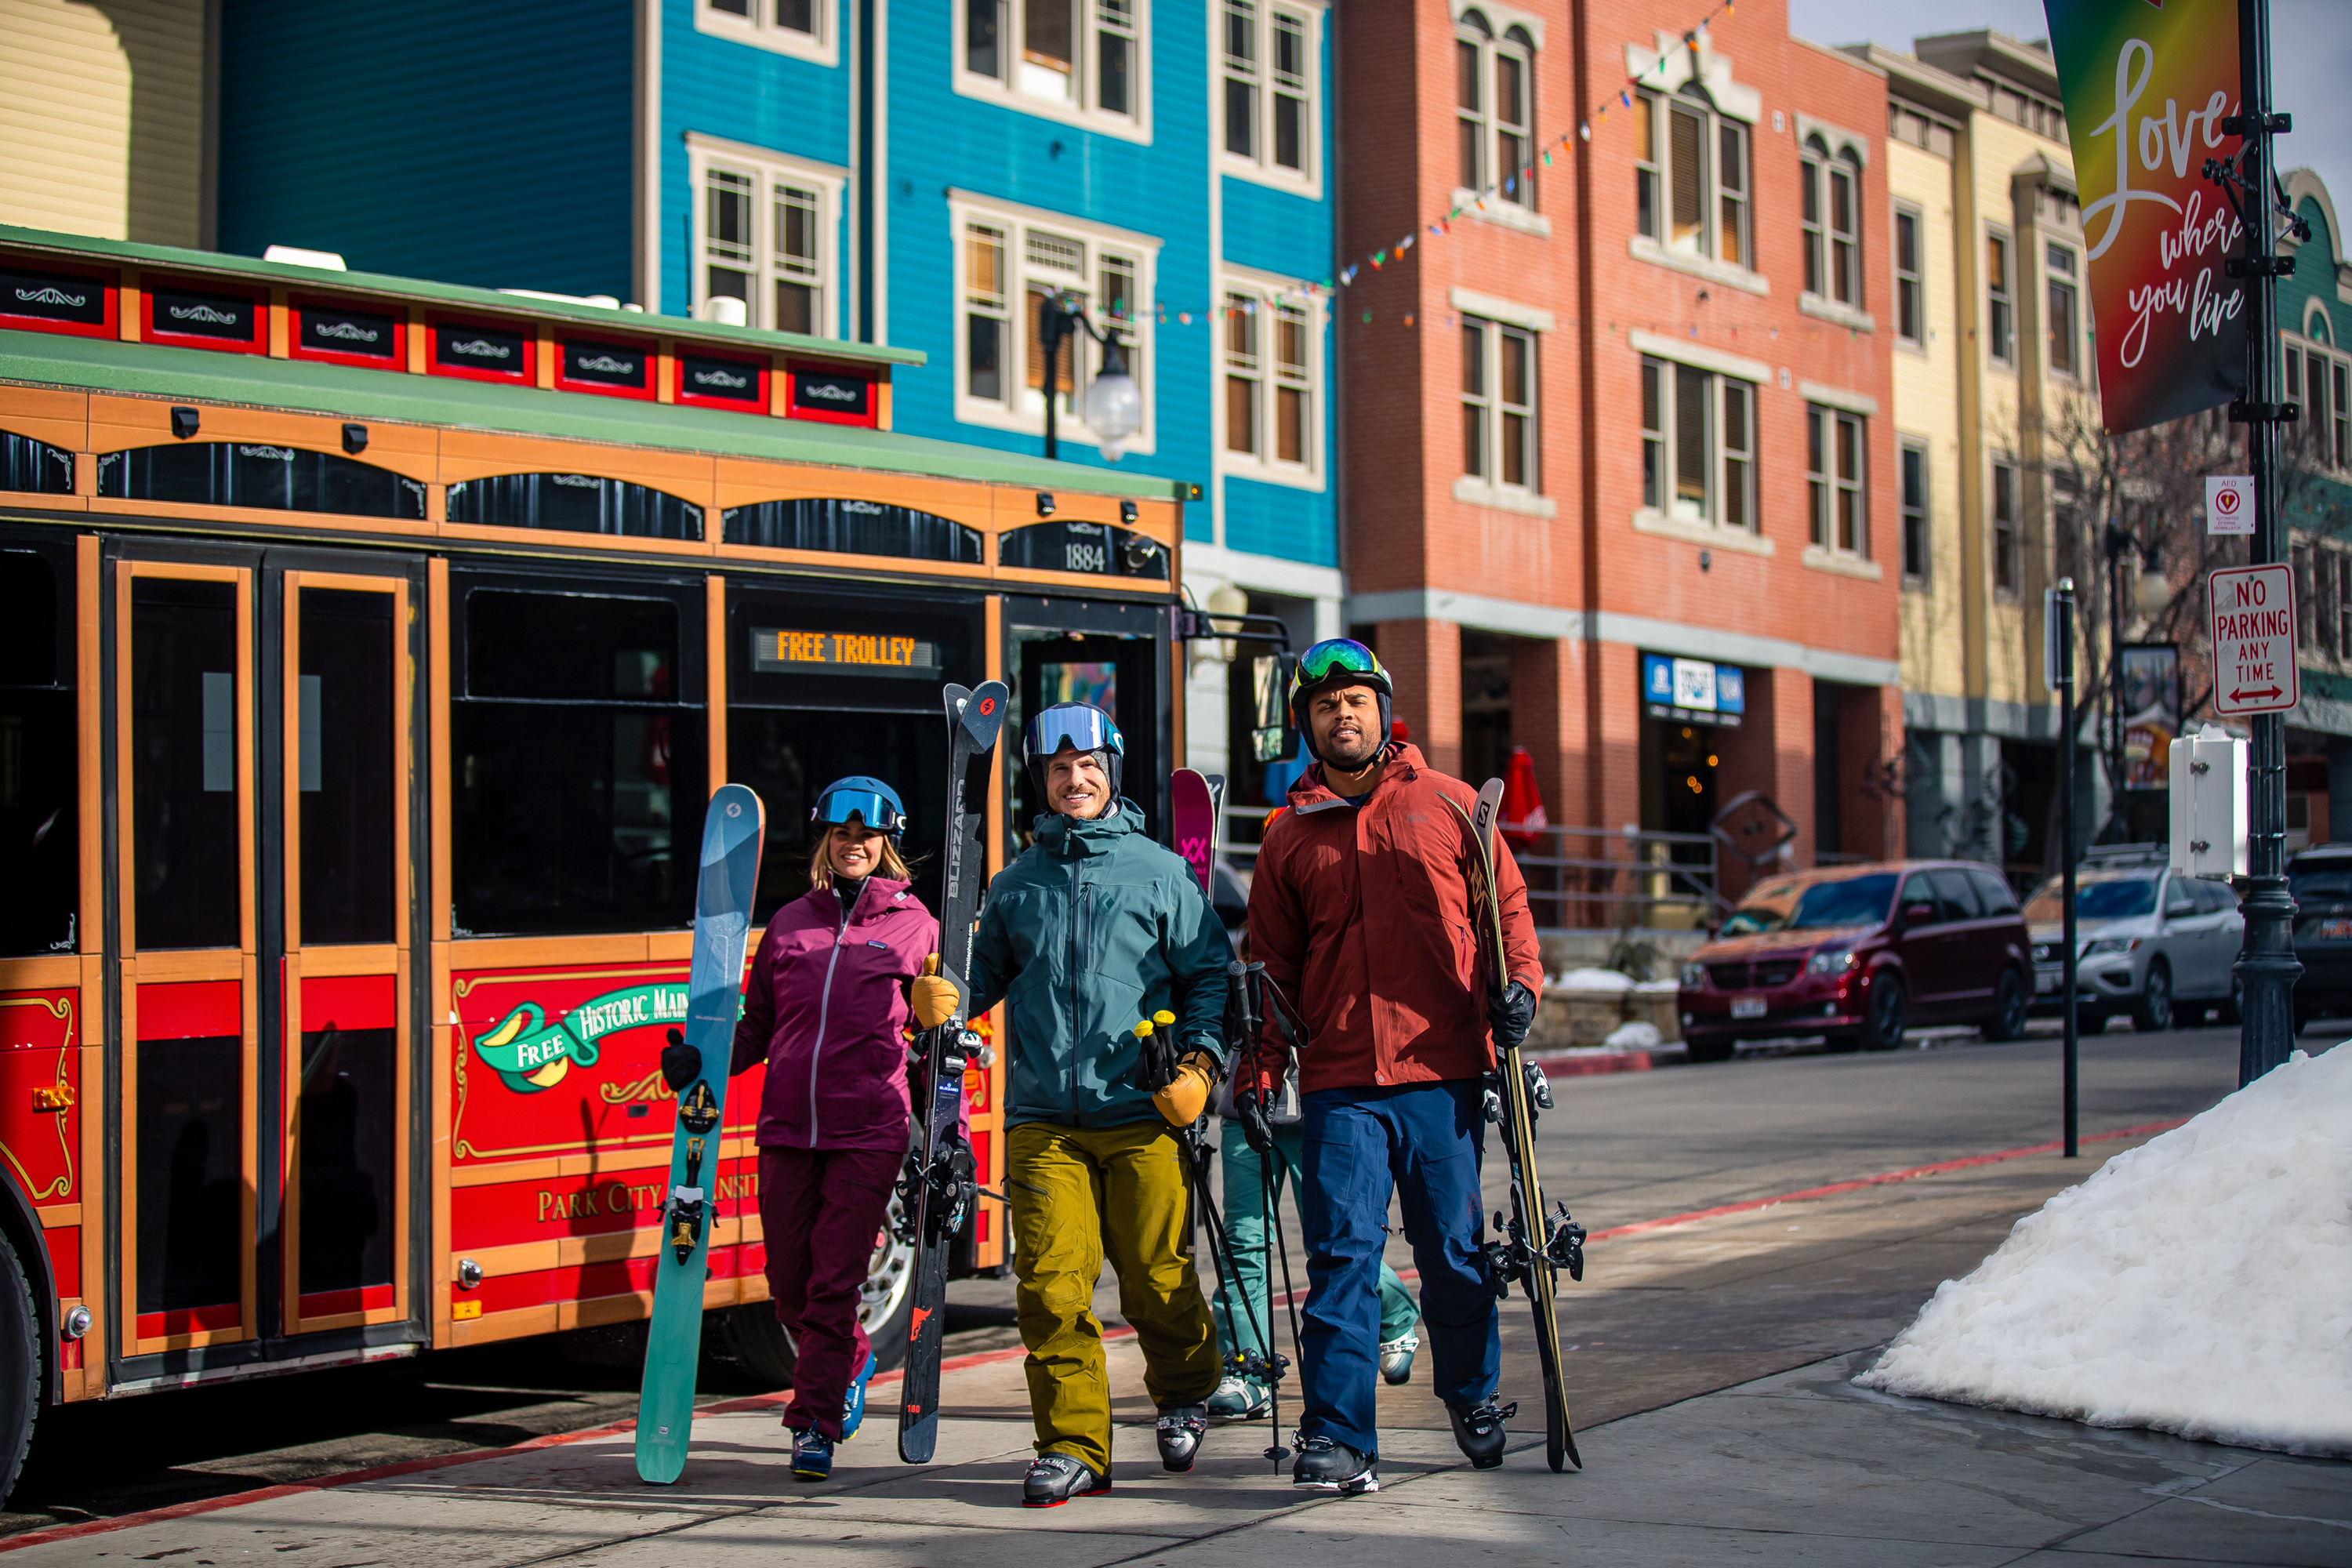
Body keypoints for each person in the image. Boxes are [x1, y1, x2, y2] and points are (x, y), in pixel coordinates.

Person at [1241, 640, 1544, 1495]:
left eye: (1358, 700)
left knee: (1453, 1253)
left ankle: (1473, 1393)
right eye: (1328, 704)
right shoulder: (1287, 837)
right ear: (1307, 723)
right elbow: (1270, 970)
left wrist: (1520, 986)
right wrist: (1260, 1073)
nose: (1345, 714)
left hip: (1444, 1071)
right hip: (1340, 1080)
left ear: (1382, 710)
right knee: (1341, 1258)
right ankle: (1338, 1434)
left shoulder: (1449, 805)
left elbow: (1506, 909)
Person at [963, 702, 1232, 1507]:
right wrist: (939, 1000)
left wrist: (1201, 1063)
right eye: (1057, 768)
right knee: (1051, 1288)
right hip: (1044, 1118)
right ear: (1039, 782)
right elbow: (980, 985)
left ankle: (1185, 1388)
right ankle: (1075, 1443)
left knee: (1156, 1278)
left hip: (1143, 1109)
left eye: (1087, 766)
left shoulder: (1158, 871)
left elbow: (1209, 975)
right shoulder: (1016, 885)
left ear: (1110, 771)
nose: (1073, 779)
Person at [659, 776, 958, 1483]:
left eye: (867, 835)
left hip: (871, 1128)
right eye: (841, 833)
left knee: (832, 1285)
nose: (853, 844)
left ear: (887, 846)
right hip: (788, 1126)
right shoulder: (791, 922)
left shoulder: (919, 928)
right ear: (825, 841)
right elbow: (758, 1026)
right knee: (788, 1285)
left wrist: (953, 1140)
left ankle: (814, 1425)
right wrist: (701, 1061)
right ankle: (851, 1361)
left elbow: (939, 1049)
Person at [1206, 1009, 1422, 1421]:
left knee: (1335, 1238)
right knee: (1242, 1241)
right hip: (1246, 1108)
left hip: (1318, 1108)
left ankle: (1394, 1314)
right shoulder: (1241, 950)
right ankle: (1247, 1367)